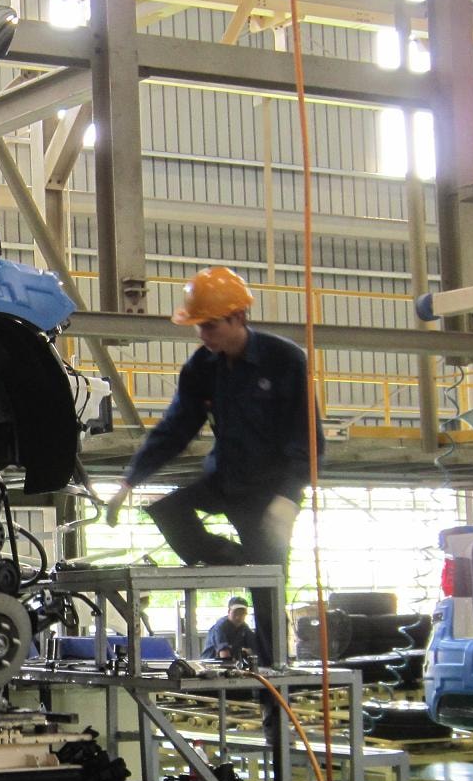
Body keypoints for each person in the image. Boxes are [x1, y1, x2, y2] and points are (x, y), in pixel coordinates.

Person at [103, 266, 321, 664]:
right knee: (168, 510)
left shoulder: (284, 360)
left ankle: (276, 702)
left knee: (269, 601)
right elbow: (175, 428)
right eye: (198, 326)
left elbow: (309, 438)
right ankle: (236, 560)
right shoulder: (202, 367)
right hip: (224, 480)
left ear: (239, 317)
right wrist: (129, 481)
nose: (203, 335)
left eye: (211, 325)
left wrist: (288, 497)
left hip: (268, 496)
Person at [205, 596, 257, 662]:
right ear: (229, 611)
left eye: (242, 613)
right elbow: (225, 656)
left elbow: (254, 649)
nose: (238, 617)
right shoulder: (220, 627)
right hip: (211, 665)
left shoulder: (244, 627)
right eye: (236, 612)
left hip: (231, 664)